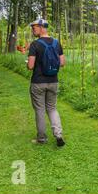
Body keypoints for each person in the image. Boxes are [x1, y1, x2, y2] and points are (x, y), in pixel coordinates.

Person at [27, 19, 66, 147]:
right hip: (53, 81)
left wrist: (28, 63)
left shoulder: (35, 44)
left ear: (42, 28)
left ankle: (42, 139)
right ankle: (58, 134)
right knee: (52, 108)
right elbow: (62, 62)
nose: (33, 30)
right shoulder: (56, 43)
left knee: (39, 109)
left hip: (38, 82)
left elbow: (31, 66)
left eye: (35, 28)